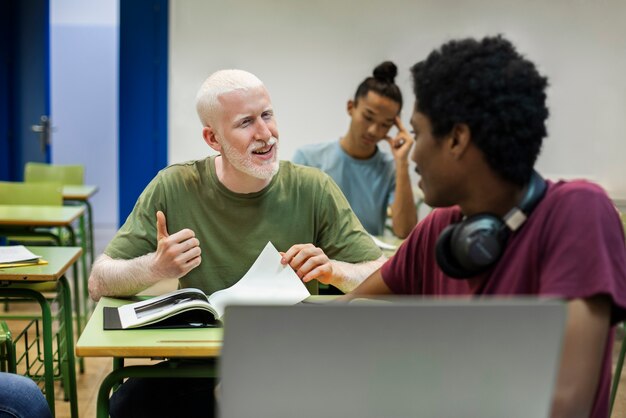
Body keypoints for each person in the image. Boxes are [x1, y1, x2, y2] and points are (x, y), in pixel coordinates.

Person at [345, 35, 626, 418]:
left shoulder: (577, 211)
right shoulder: (439, 230)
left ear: (457, 139)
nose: (413, 152)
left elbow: (565, 404)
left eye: (419, 132)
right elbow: (344, 315)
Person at [88, 69, 385, 417]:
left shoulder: (313, 188)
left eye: (267, 115)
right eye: (246, 122)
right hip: (199, 363)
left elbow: (382, 272)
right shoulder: (174, 186)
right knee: (126, 406)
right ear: (213, 139)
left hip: (289, 364)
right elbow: (98, 282)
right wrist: (154, 267)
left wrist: (335, 270)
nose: (266, 134)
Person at [293, 61, 417, 238]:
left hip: (368, 261)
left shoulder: (390, 169)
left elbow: (405, 231)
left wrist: (402, 162)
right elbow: (292, 224)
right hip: (317, 259)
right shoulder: (308, 159)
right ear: (351, 107)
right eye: (368, 117)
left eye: (385, 124)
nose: (374, 130)